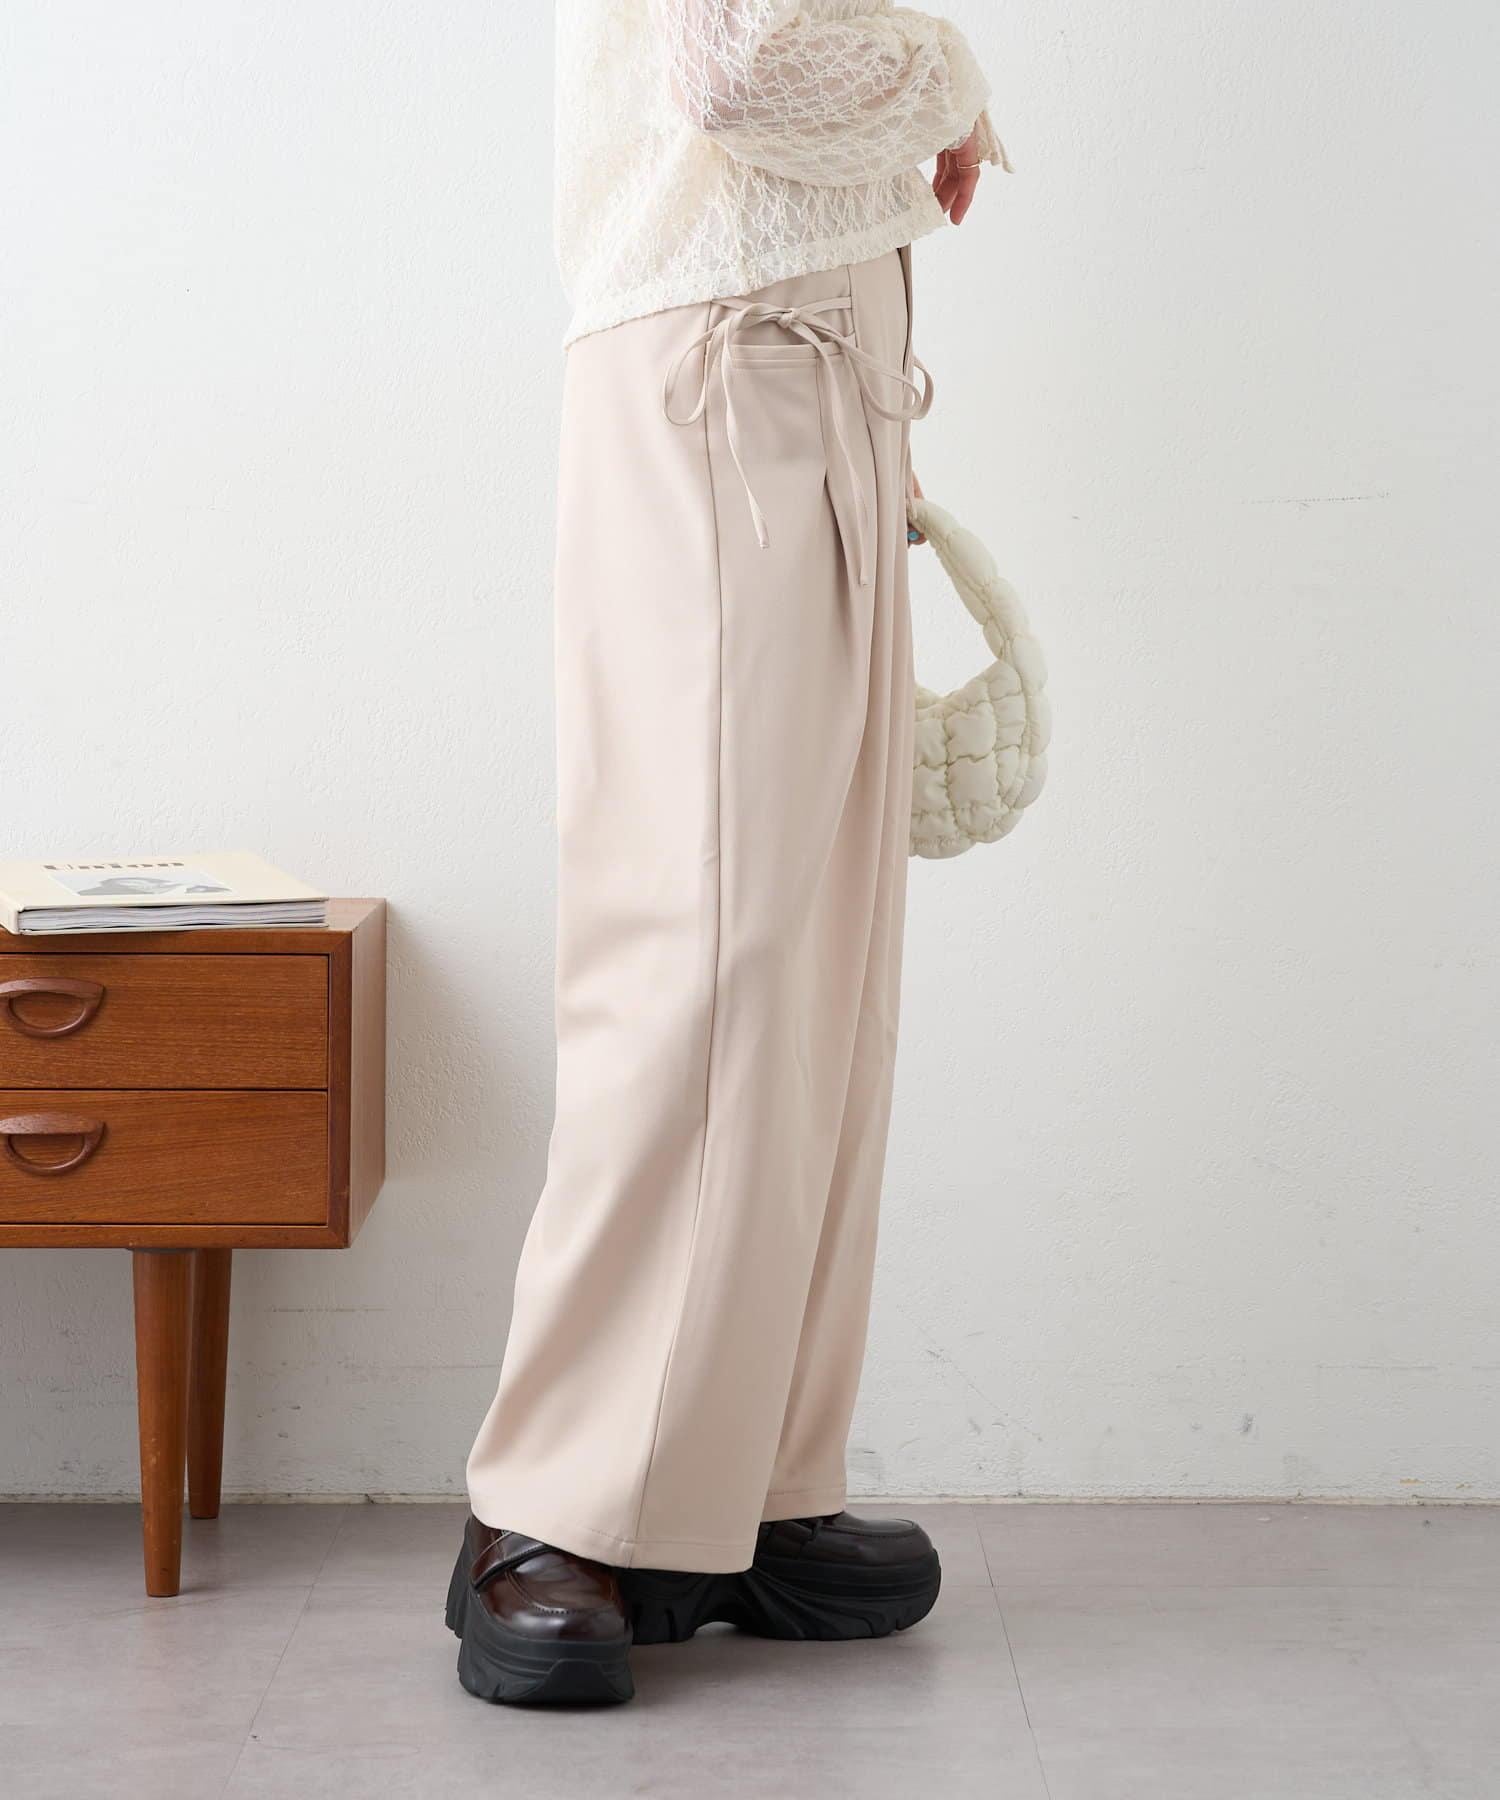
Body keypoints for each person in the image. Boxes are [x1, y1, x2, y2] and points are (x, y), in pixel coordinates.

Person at [453, 0, 1005, 1706]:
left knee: (823, 965)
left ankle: (734, 1488)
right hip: (725, 356)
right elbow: (745, 64)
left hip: (811, 355)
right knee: (700, 949)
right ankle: (552, 1505)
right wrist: (957, 78)